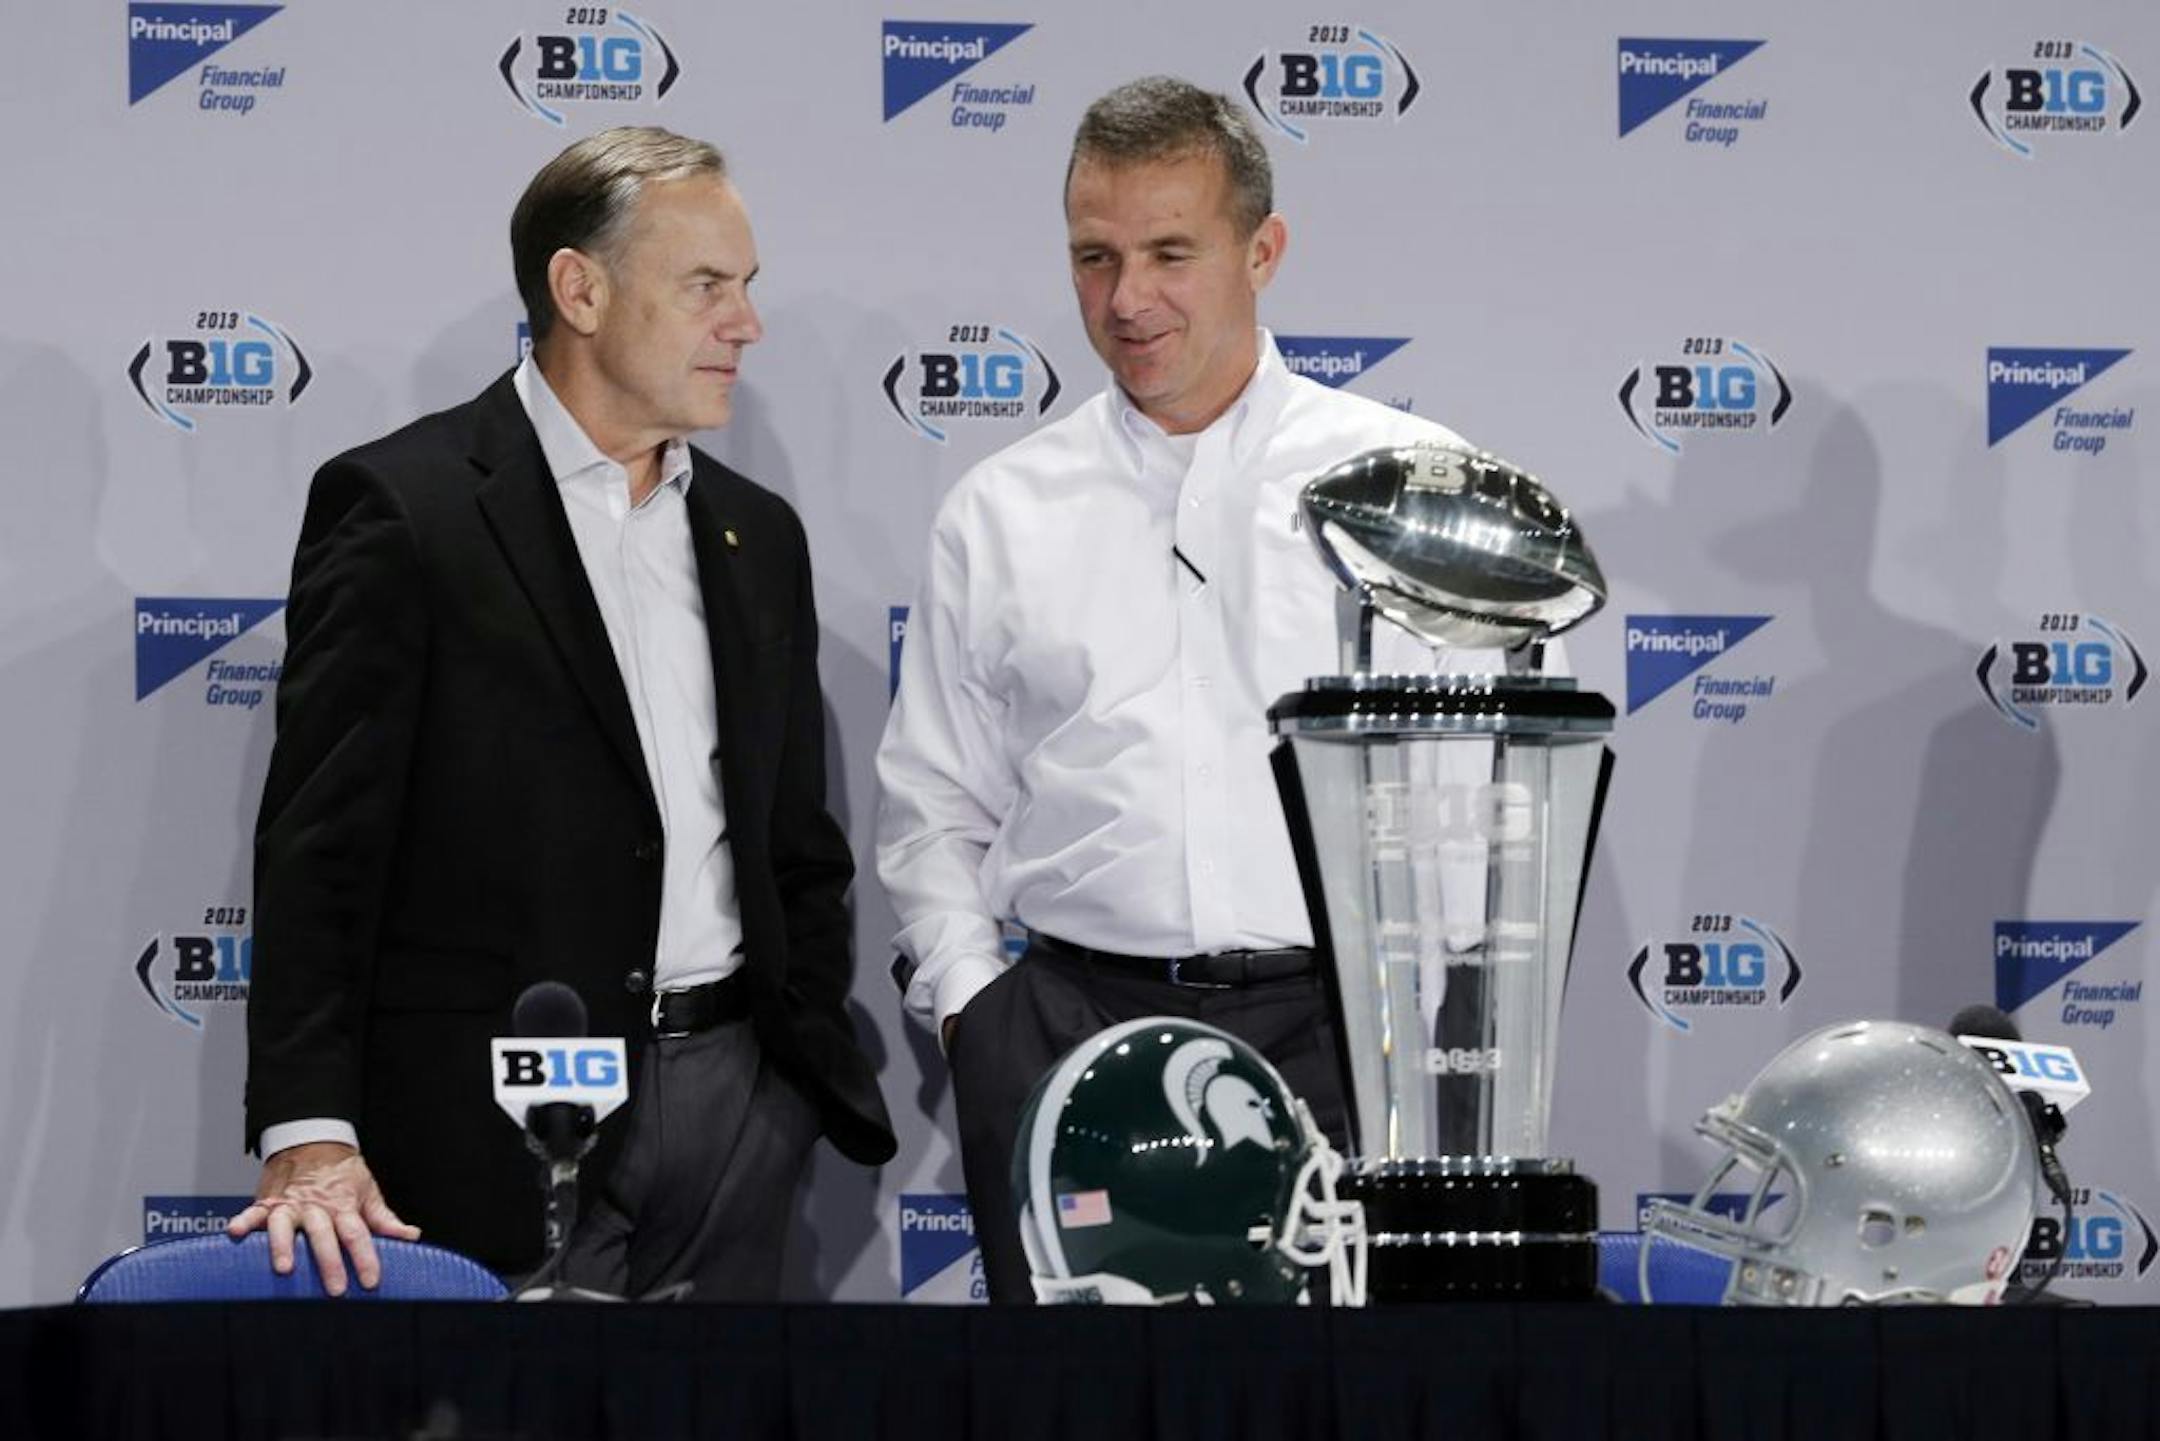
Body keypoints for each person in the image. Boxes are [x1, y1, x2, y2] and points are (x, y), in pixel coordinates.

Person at [232, 126, 893, 1298]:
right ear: (579, 288)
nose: (746, 323)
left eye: (746, 288)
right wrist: (309, 1127)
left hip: (735, 1110)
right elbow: (320, 851)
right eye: (706, 286)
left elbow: (795, 843)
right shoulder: (404, 509)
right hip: (493, 1123)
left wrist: (785, 1077)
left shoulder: (756, 535)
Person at [875, 76, 1501, 1302]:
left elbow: (1481, 793)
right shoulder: (999, 512)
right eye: (1094, 257)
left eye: (1171, 252)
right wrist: (977, 1020)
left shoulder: (1416, 489)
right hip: (1063, 1039)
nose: (1126, 300)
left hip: (1343, 1045)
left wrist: (1418, 1032)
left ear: (1262, 250)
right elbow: (933, 804)